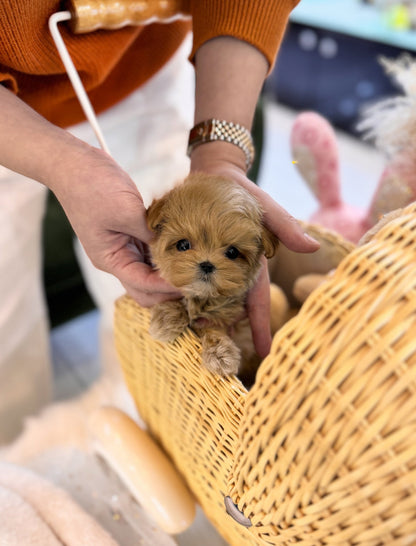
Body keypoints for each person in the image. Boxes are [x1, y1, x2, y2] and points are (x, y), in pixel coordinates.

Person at [0, 0, 319, 442]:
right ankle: (18, 456)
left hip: (142, 60)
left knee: (148, 300)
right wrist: (60, 162)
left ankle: (148, 423)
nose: (208, 261)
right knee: (4, 309)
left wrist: (220, 152)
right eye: (191, 247)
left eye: (230, 251)